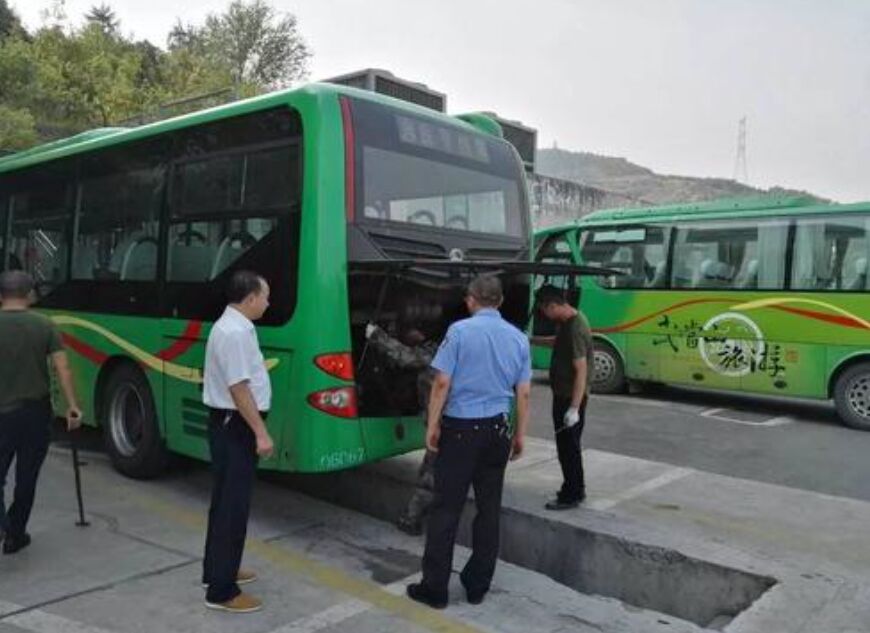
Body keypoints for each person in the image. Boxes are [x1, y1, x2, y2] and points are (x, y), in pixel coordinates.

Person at [406, 274, 531, 609]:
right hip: (498, 431)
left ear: (471, 300)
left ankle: (435, 589)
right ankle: (477, 586)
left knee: (446, 509)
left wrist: (433, 424)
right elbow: (523, 392)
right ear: (500, 301)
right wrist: (519, 434)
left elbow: (441, 383)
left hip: (461, 430)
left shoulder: (459, 332)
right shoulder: (519, 338)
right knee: (489, 510)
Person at [202, 270, 275, 614]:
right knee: (233, 506)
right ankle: (222, 591)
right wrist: (260, 432)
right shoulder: (234, 333)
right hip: (236, 427)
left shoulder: (236, 327)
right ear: (250, 298)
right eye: (265, 297)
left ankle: (218, 570)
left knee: (224, 503)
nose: (268, 303)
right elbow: (238, 388)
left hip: (230, 424)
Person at [0, 270, 82, 555]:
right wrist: (72, 406)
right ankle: (15, 534)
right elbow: (62, 368)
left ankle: (3, 523)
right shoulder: (44, 325)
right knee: (27, 475)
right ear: (29, 295)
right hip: (35, 413)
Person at [364, 323, 438, 535]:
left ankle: (412, 519)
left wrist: (376, 335)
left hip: (444, 424)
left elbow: (404, 357)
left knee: (430, 475)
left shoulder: (435, 351)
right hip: (469, 423)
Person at [532, 284, 594, 510]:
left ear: (552, 305)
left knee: (569, 448)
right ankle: (574, 487)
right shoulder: (567, 323)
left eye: (543, 310)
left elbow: (581, 370)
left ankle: (572, 494)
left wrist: (574, 408)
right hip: (562, 394)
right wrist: (531, 339)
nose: (544, 315)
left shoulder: (576, 327)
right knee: (565, 446)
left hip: (570, 398)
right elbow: (555, 342)